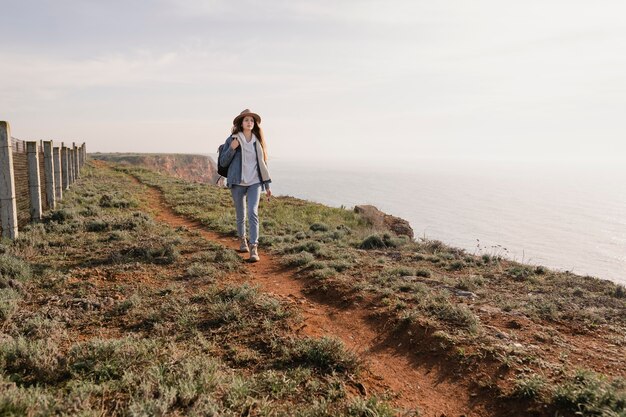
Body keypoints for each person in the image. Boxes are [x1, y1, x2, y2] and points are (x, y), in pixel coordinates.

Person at [218, 109, 272, 262]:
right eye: (246, 120)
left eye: (252, 120)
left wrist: (267, 186)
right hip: (237, 182)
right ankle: (242, 240)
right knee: (241, 215)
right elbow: (223, 162)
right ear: (241, 123)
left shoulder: (257, 142)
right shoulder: (232, 140)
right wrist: (232, 148)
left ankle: (254, 247)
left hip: (255, 182)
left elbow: (263, 164)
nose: (249, 122)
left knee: (253, 213)